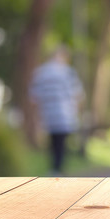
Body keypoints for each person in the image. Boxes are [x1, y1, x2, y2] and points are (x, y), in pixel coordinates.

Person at [30, 46, 84, 175]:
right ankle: (57, 170)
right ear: (64, 57)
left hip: (48, 115)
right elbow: (78, 95)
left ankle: (54, 169)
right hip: (64, 115)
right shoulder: (68, 72)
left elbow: (33, 98)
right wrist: (77, 112)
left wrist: (36, 118)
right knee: (61, 144)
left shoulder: (40, 72)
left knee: (53, 143)